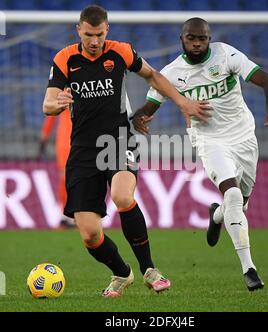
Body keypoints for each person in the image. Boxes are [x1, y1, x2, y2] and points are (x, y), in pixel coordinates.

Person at [42, 6, 211, 298]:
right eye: (88, 35)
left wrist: (182, 102)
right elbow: (47, 104)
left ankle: (150, 270)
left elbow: (153, 76)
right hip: (81, 150)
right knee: (89, 233)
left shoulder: (120, 52)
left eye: (99, 34)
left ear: (106, 30)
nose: (94, 41)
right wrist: (58, 103)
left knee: (122, 196)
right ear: (78, 31)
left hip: (118, 140)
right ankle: (122, 273)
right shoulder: (65, 58)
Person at [133, 17, 268, 291]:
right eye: (192, 38)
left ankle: (216, 216)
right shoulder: (172, 72)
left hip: (244, 137)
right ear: (182, 40)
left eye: (202, 38)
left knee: (240, 205)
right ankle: (249, 269)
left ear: (209, 39)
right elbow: (149, 107)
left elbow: (267, 79)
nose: (197, 43)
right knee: (234, 196)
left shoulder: (226, 55)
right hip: (209, 140)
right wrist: (138, 118)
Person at [39, 109, 75, 229]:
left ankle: (68, 215)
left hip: (67, 141)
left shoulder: (60, 93)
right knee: (69, 178)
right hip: (72, 141)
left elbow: (50, 117)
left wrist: (43, 139)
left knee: (66, 178)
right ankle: (69, 215)